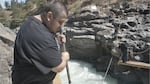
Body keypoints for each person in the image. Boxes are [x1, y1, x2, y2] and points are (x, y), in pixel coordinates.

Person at [12, 0, 70, 84]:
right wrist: (65, 57)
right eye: (60, 22)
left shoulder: (31, 23)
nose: (62, 27)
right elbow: (58, 67)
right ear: (49, 16)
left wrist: (55, 39)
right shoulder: (42, 36)